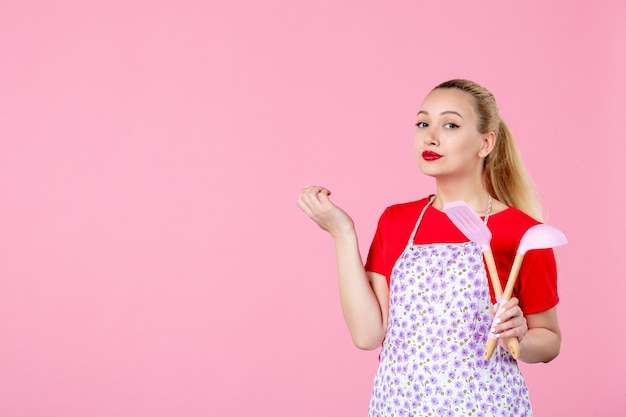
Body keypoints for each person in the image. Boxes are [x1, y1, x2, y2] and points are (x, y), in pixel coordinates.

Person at [296, 79, 561, 416]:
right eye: (423, 123)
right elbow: (367, 335)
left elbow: (549, 340)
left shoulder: (523, 233)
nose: (430, 136)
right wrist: (343, 234)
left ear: (485, 143)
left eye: (450, 124)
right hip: (399, 406)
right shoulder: (396, 221)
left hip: (485, 408)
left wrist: (519, 338)